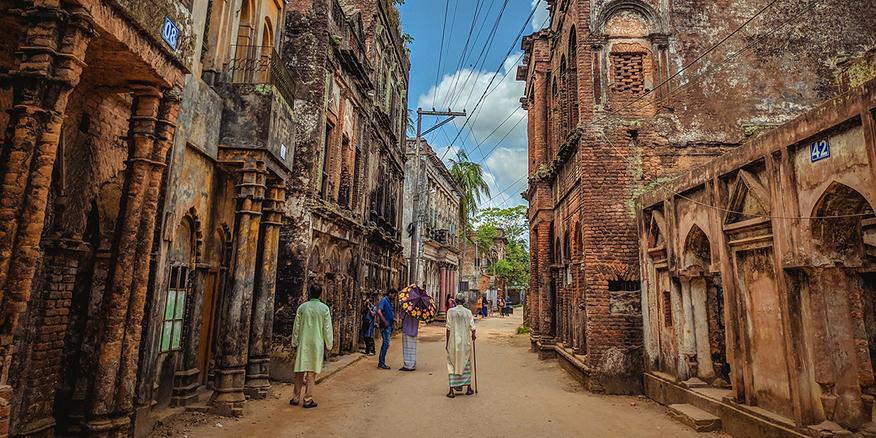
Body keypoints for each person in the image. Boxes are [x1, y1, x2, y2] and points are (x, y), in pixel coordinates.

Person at [290, 283, 333, 409]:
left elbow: (296, 327)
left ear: (309, 293)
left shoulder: (302, 308)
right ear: (320, 294)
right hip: (316, 342)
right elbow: (327, 328)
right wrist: (329, 344)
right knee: (311, 371)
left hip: (303, 341)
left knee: (299, 370)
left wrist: (294, 341)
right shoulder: (324, 309)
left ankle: (295, 397)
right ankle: (308, 399)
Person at [446, 294, 476, 398]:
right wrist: (474, 336)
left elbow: (448, 328)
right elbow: (473, 328)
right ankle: (468, 388)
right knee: (466, 362)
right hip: (465, 342)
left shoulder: (450, 312)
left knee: (452, 364)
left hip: (453, 342)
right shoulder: (468, 312)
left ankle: (451, 391)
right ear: (463, 301)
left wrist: (447, 343)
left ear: (456, 301)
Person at [399, 290, 420, 371]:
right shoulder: (418, 310)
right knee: (413, 348)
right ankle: (413, 364)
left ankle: (408, 365)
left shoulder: (407, 307)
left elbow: (401, 317)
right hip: (414, 330)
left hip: (407, 329)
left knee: (407, 348)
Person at [376, 288, 395, 369]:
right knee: (386, 343)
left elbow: (389, 313)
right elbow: (379, 311)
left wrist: (393, 319)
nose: (394, 297)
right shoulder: (384, 300)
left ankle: (381, 362)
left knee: (386, 344)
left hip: (389, 325)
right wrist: (384, 321)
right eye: (394, 295)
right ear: (390, 293)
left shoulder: (390, 302)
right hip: (385, 326)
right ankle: (381, 362)